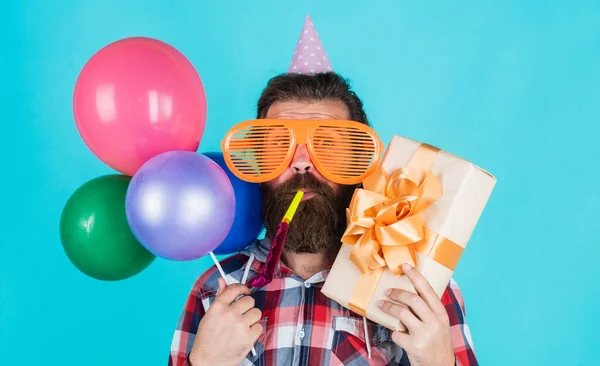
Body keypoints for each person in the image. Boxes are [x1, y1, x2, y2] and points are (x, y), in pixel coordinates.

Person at [169, 15, 478, 366]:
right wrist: (206, 361)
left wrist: (438, 360)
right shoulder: (215, 289)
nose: (301, 162)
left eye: (328, 146)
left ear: (358, 165)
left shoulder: (419, 289)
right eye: (280, 145)